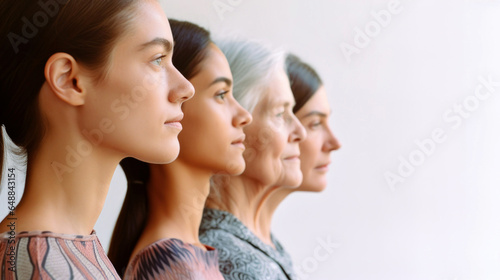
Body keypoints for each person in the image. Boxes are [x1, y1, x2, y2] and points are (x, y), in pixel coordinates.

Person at [0, 1, 193, 278]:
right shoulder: (39, 266)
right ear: (70, 80)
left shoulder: (61, 252)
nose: (186, 88)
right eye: (157, 59)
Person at [108, 20, 252, 279]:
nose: (244, 115)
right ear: (176, 103)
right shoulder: (169, 264)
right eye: (221, 94)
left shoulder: (188, 255)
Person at [199, 40, 306, 280]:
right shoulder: (222, 253)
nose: (301, 131)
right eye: (280, 113)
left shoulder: (259, 244)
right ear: (235, 121)